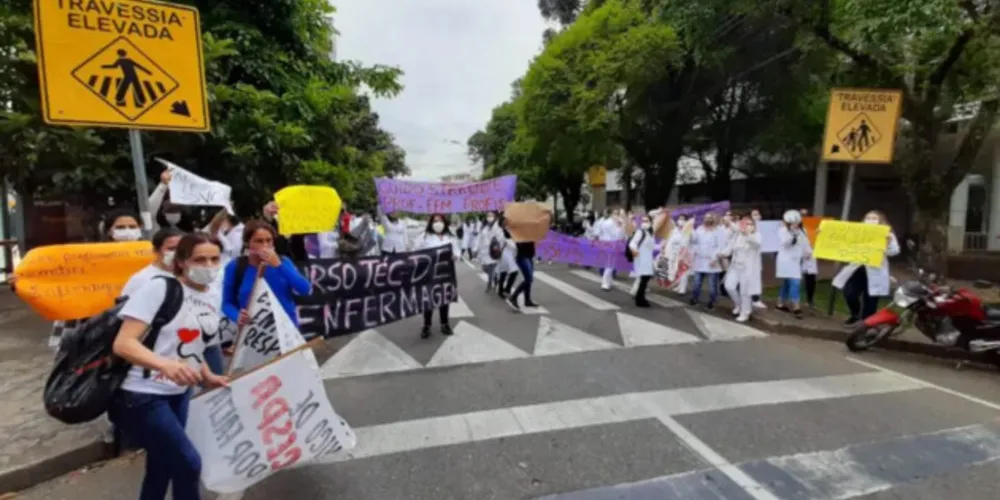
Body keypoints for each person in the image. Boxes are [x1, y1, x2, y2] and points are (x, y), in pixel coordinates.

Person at [110, 233, 230, 500]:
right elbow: (124, 343)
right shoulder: (159, 289)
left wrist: (207, 375)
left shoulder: (211, 296)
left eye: (214, 259)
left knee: (162, 465)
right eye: (200, 259)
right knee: (188, 464)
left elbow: (194, 348)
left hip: (179, 395)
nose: (208, 266)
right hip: (141, 395)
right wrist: (165, 365)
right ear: (182, 262)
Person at [222, 220, 311, 329]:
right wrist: (237, 316)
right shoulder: (235, 267)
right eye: (259, 241)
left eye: (269, 240)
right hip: (255, 332)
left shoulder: (283, 262)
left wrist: (279, 265)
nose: (265, 245)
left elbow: (305, 289)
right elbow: (227, 303)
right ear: (247, 243)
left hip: (287, 329)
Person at [832, 211, 899, 327]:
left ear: (880, 220)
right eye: (868, 217)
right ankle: (855, 314)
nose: (871, 220)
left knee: (871, 299)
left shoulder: (887, 234)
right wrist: (825, 236)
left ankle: (867, 323)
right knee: (849, 293)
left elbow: (894, 251)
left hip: (876, 271)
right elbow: (842, 242)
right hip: (858, 269)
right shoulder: (857, 232)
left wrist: (887, 243)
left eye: (874, 218)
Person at [417, 214, 459, 337]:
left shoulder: (450, 237)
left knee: (444, 298)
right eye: (435, 221)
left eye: (440, 220)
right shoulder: (425, 237)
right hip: (430, 272)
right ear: (431, 223)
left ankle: (444, 324)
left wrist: (455, 256)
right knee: (429, 299)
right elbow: (416, 251)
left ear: (445, 222)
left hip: (446, 271)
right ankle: (427, 325)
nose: (438, 223)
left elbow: (457, 250)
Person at [720, 215, 762, 322]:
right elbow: (730, 248)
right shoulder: (737, 235)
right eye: (743, 223)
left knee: (745, 291)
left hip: (748, 268)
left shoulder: (756, 236)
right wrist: (722, 253)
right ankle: (738, 305)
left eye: (748, 224)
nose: (745, 226)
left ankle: (745, 313)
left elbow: (756, 245)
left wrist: (747, 234)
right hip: (735, 266)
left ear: (753, 226)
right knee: (729, 286)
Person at [121, 228, 184, 298]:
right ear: (156, 251)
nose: (177, 253)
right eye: (171, 249)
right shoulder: (142, 280)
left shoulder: (189, 276)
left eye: (180, 248)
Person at [775, 210, 812, 318]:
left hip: (796, 261)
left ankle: (780, 304)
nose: (795, 224)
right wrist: (792, 233)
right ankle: (796, 306)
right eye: (792, 222)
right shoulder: (782, 230)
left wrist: (808, 252)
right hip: (785, 260)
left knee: (787, 282)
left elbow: (805, 243)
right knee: (795, 282)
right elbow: (786, 243)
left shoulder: (802, 231)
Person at [688, 213, 726, 309]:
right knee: (697, 282)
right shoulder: (699, 229)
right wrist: (690, 231)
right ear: (703, 219)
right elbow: (694, 242)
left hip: (712, 262)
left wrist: (715, 259)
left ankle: (712, 301)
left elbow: (721, 246)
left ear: (713, 219)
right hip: (699, 261)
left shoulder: (719, 231)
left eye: (710, 217)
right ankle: (694, 298)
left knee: (712, 285)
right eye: (706, 217)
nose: (708, 219)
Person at [506, 232, 542, 311]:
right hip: (522, 255)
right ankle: (513, 297)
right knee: (529, 279)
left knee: (529, 279)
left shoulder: (531, 228)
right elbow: (509, 235)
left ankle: (527, 300)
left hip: (529, 254)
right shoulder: (519, 227)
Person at [629, 214, 657, 307]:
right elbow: (632, 243)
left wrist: (662, 246)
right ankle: (640, 299)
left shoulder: (649, 233)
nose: (644, 223)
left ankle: (639, 297)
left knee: (645, 279)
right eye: (643, 221)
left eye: (646, 221)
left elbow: (652, 247)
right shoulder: (640, 232)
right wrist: (635, 251)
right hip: (641, 258)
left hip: (648, 258)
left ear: (651, 222)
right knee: (644, 279)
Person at [598, 210, 626, 290]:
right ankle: (605, 283)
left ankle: (608, 282)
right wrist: (621, 226)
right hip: (612, 245)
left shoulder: (606, 222)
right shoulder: (613, 224)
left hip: (606, 244)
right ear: (613, 215)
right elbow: (618, 236)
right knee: (610, 265)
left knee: (609, 264)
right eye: (617, 214)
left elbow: (601, 233)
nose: (618, 216)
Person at [477, 211, 502, 291]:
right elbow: (479, 238)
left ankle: (489, 284)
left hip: (493, 250)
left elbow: (500, 238)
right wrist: (476, 249)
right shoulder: (484, 226)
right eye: (488, 216)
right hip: (484, 251)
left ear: (494, 217)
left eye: (491, 216)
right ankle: (495, 277)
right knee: (485, 268)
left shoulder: (497, 226)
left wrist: (499, 248)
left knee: (492, 267)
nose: (489, 217)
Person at [799, 208, 819, 308]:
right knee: (795, 279)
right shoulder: (795, 228)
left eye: (806, 215)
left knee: (810, 279)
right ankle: (793, 299)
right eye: (802, 215)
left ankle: (809, 300)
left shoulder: (813, 228)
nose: (804, 217)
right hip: (798, 256)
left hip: (810, 257)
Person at [749, 209, 767, 309]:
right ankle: (751, 299)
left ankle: (756, 299)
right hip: (748, 258)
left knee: (756, 278)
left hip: (757, 257)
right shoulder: (749, 229)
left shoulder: (764, 228)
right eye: (754, 214)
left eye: (758, 214)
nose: (757, 216)